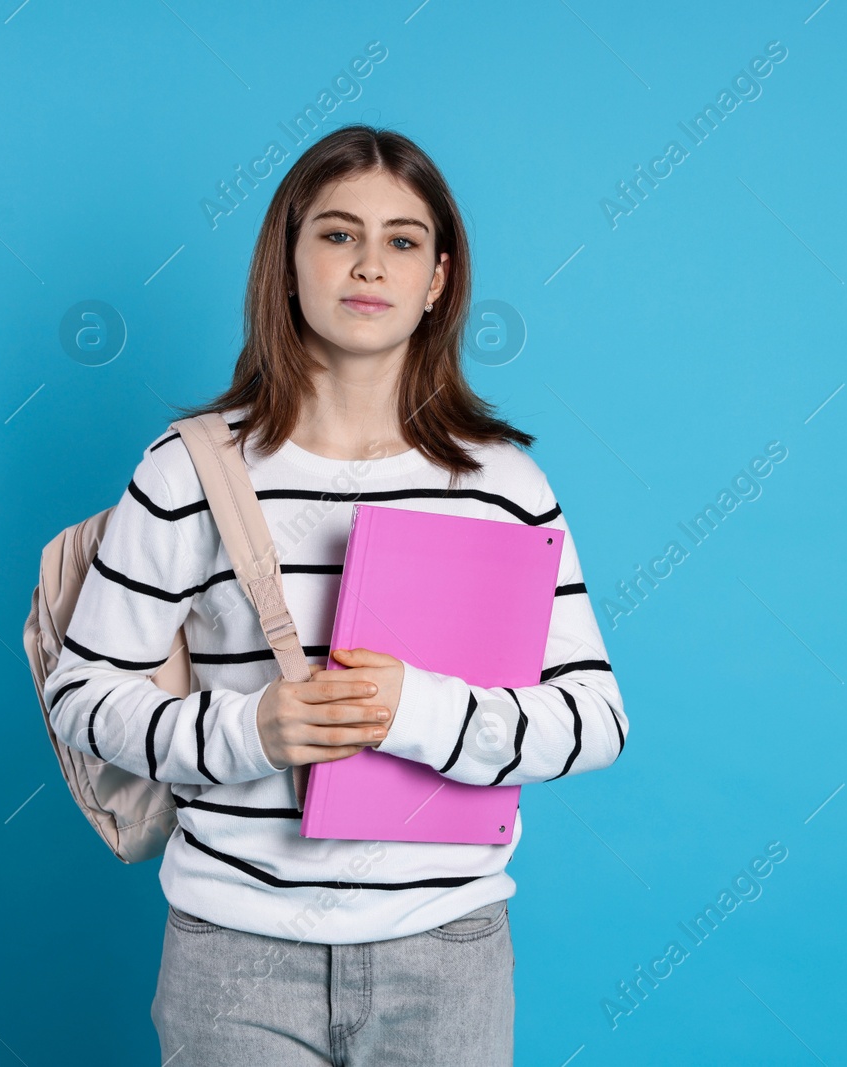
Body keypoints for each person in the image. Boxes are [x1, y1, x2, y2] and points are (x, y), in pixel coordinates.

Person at [42, 124, 628, 1065]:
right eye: (337, 233)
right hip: (233, 956)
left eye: (402, 240)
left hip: (448, 953)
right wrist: (253, 731)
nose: (370, 264)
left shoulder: (502, 485)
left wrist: (416, 710)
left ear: (438, 279)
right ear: (288, 259)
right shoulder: (189, 469)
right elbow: (83, 694)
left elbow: (594, 719)